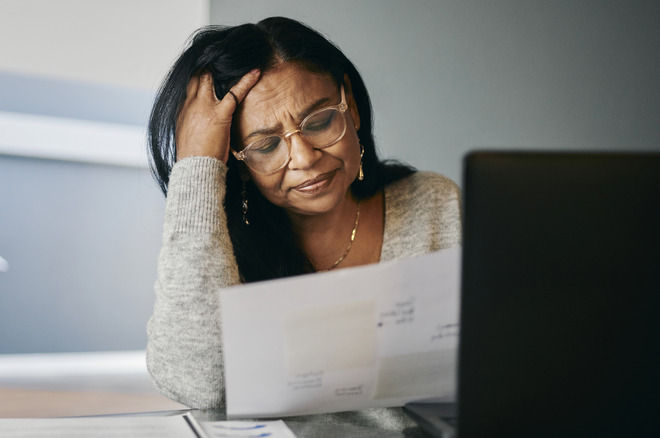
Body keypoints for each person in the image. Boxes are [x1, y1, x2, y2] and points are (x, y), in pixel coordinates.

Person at [146, 17, 461, 429]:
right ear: (235, 161)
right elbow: (197, 384)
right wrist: (196, 167)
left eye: (319, 122)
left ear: (349, 103)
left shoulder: (434, 205)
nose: (305, 158)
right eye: (266, 146)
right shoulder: (217, 250)